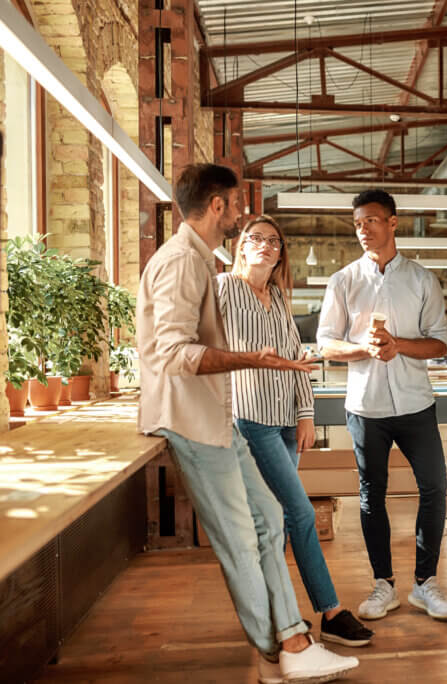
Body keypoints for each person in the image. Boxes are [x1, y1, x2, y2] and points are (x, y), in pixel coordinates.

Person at [136, 163, 358, 684]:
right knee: (241, 536)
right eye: (236, 206)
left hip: (220, 417)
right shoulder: (184, 264)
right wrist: (252, 360)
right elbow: (173, 353)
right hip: (192, 419)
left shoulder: (200, 260)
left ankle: (289, 640)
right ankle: (283, 644)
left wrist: (279, 378)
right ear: (218, 205)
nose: (238, 215)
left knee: (269, 519)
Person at [217, 215, 374, 648]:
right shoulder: (224, 289)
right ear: (241, 247)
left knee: (278, 524)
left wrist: (306, 415)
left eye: (274, 241)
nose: (266, 246)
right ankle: (330, 611)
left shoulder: (279, 298)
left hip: (287, 423)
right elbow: (208, 351)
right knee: (300, 515)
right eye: (256, 239)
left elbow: (299, 361)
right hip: (250, 421)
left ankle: (277, 616)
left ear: (281, 252)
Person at [316, 189, 447, 623]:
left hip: (416, 404)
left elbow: (439, 342)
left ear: (393, 223)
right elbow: (325, 344)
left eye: (372, 221)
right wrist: (364, 350)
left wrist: (399, 346)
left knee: (434, 487)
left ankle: (425, 584)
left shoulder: (421, 280)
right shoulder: (343, 281)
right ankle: (383, 585)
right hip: (365, 407)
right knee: (370, 495)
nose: (363, 229)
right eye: (357, 223)